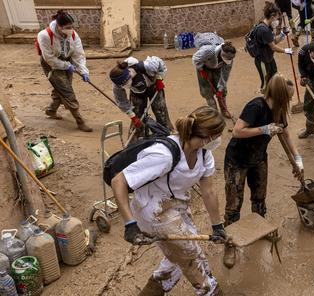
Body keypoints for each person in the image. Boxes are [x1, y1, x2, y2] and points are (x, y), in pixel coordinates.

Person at [110, 106, 227, 295]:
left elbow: (209, 191)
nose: (219, 140)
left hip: (176, 205)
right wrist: (129, 223)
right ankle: (210, 290)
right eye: (217, 135)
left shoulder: (204, 154)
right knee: (191, 254)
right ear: (207, 136)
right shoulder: (164, 155)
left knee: (178, 253)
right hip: (152, 210)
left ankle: (155, 287)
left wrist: (217, 226)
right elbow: (119, 181)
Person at [224, 74, 302, 225]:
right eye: (288, 97)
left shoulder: (279, 110)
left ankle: (260, 225)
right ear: (280, 95)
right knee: (234, 201)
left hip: (259, 157)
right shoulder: (256, 106)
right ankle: (230, 234)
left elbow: (286, 136)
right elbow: (237, 131)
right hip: (237, 159)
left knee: (259, 197)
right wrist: (264, 129)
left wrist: (298, 159)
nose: (290, 101)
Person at [37, 10, 92, 132]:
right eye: (68, 27)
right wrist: (66, 66)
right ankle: (80, 121)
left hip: (67, 61)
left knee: (61, 87)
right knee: (67, 91)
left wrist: (83, 70)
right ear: (59, 26)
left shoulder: (73, 34)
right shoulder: (44, 35)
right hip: (51, 64)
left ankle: (51, 110)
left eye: (72, 26)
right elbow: (49, 58)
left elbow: (78, 54)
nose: (71, 29)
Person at [110, 55, 173, 136]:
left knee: (161, 113)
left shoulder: (147, 66)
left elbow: (160, 64)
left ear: (128, 77)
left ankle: (168, 136)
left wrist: (159, 78)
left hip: (155, 87)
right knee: (138, 119)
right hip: (137, 93)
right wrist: (133, 117)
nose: (123, 86)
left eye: (124, 84)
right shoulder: (117, 84)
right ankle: (138, 139)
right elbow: (121, 101)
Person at [253, 2, 294, 93]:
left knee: (274, 78)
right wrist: (285, 50)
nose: (277, 20)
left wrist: (283, 35)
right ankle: (264, 101)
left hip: (269, 58)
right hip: (262, 61)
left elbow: (272, 41)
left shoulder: (268, 27)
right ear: (272, 17)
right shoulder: (263, 29)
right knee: (266, 83)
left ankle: (273, 97)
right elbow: (273, 47)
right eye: (276, 18)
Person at [192, 41, 237, 118]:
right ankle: (214, 113)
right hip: (204, 66)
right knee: (207, 91)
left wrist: (220, 89)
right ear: (221, 55)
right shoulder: (208, 51)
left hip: (218, 68)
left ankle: (224, 111)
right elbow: (195, 59)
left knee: (222, 92)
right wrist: (201, 69)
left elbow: (225, 75)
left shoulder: (229, 60)